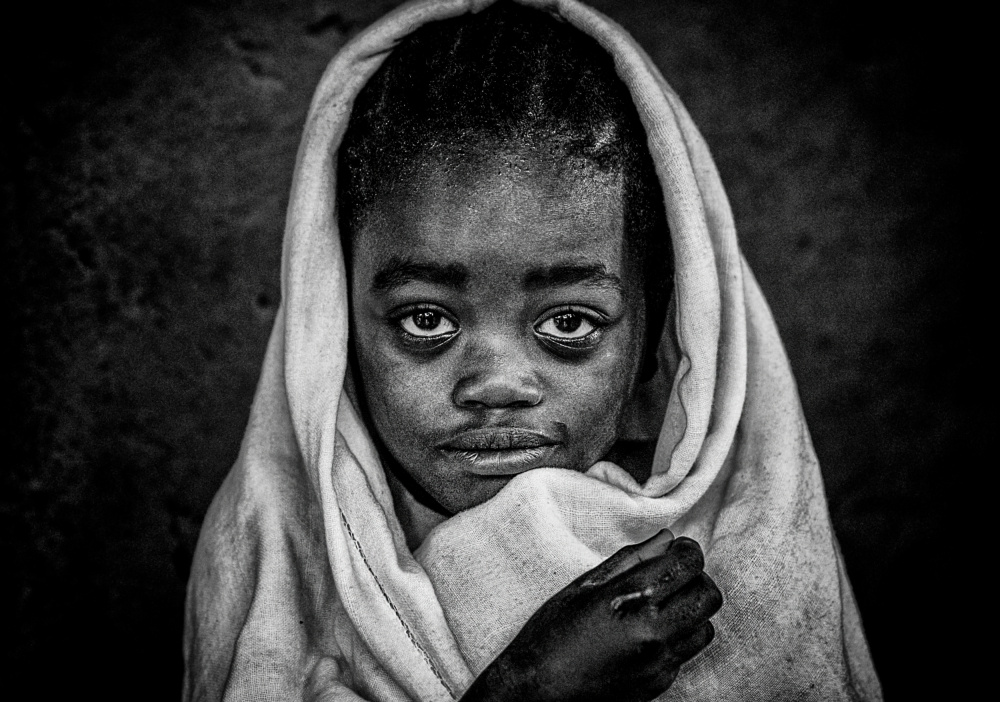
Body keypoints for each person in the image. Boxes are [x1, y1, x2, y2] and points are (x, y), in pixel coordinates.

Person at [184, 2, 882, 701]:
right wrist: (529, 689)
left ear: (658, 333)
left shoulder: (751, 559)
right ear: (332, 324)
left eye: (571, 324)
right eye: (425, 318)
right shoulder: (276, 568)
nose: (496, 384)